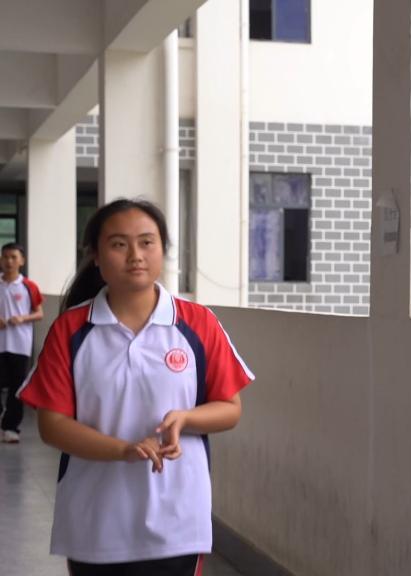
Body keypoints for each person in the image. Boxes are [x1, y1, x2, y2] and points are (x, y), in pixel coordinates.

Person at [18, 199, 254, 575]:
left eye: (147, 242)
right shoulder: (71, 330)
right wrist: (123, 450)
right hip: (94, 520)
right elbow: (52, 425)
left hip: (178, 518)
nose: (135, 256)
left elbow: (230, 408)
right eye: (118, 244)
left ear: (162, 250)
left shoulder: (198, 323)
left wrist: (186, 418)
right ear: (95, 256)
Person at [0, 243, 43, 443]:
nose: (9, 261)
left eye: (13, 257)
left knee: (16, 387)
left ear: (21, 261)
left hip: (19, 345)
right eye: (5, 257)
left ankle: (11, 428)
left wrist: (22, 318)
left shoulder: (29, 286)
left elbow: (39, 313)